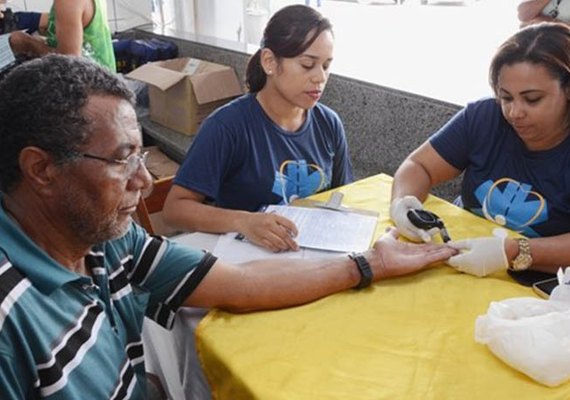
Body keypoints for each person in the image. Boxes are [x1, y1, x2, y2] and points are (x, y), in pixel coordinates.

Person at [0, 54, 456, 399]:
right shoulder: (10, 319)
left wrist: (368, 263)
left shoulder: (106, 240)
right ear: (41, 170)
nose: (144, 180)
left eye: (141, 156)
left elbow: (237, 282)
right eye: (123, 161)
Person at [390, 22, 570, 284]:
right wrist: (403, 203)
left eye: (532, 99)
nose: (515, 112)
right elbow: (419, 166)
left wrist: (511, 252)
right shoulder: (483, 117)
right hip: (457, 263)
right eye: (506, 97)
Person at [163, 5, 353, 253]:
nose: (320, 77)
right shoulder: (226, 127)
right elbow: (175, 210)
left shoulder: (329, 123)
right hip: (245, 262)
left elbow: (343, 195)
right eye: (307, 65)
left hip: (307, 256)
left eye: (326, 66)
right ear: (270, 62)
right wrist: (243, 221)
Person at [6, 0, 116, 71]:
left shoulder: (68, 2)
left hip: (91, 90)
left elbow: (70, 64)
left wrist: (29, 44)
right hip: (105, 79)